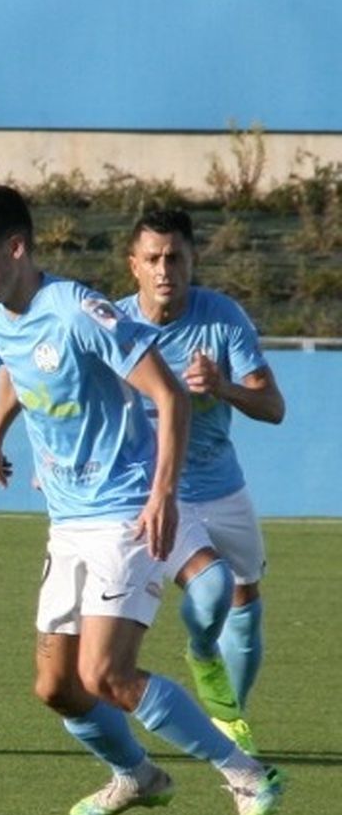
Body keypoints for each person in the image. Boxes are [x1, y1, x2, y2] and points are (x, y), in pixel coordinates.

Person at [0, 185, 281, 815]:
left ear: (15, 248)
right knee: (57, 688)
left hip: (123, 512)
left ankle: (248, 772)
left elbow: (168, 394)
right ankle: (138, 775)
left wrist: (161, 493)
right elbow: (12, 365)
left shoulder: (76, 309)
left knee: (107, 673)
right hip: (66, 521)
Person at [116, 208, 284, 755]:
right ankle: (195, 656)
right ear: (133, 266)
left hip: (222, 484)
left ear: (192, 261)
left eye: (176, 258)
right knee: (210, 592)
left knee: (246, 601)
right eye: (154, 259)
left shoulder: (222, 318)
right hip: (152, 491)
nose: (165, 269)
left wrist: (223, 386)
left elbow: (273, 406)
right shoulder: (111, 324)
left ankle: (229, 722)